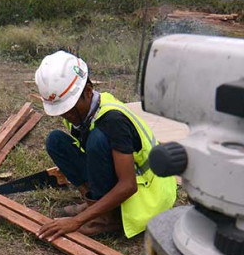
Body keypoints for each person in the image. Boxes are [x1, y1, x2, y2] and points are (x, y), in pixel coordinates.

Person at [34, 50, 177, 241]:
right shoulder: (79, 111)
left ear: (88, 92)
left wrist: (77, 221)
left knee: (97, 140)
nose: (65, 115)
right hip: (119, 176)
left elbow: (128, 185)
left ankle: (107, 218)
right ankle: (95, 204)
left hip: (148, 195)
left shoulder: (113, 121)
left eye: (67, 108)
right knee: (56, 141)